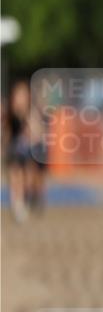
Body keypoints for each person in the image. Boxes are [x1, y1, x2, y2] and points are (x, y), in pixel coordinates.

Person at [3, 80, 47, 223]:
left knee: (31, 180)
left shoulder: (32, 112)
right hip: (15, 150)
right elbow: (7, 134)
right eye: (18, 95)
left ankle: (34, 196)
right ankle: (18, 205)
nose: (20, 99)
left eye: (23, 95)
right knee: (15, 176)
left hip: (31, 149)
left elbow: (38, 134)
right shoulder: (9, 113)